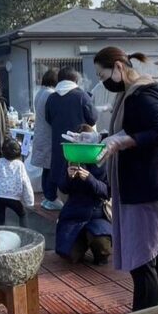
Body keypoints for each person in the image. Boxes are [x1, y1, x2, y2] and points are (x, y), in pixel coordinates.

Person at [92, 47, 158, 314]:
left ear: (118, 67)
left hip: (146, 188)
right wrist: (100, 137)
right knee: (153, 253)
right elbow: (132, 129)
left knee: (142, 262)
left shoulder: (143, 94)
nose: (104, 82)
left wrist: (121, 141)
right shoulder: (133, 91)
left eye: (104, 75)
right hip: (142, 185)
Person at [56, 125, 112, 265]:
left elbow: (107, 192)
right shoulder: (71, 158)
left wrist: (90, 179)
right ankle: (80, 243)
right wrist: (69, 177)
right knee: (67, 254)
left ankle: (100, 250)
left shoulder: (103, 161)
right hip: (74, 213)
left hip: (97, 213)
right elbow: (62, 188)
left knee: (101, 246)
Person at [44, 67, 97, 209]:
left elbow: (48, 119)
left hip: (58, 144)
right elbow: (93, 119)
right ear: (76, 80)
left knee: (61, 177)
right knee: (79, 176)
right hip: (79, 146)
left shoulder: (52, 98)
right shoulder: (82, 96)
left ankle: (65, 210)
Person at [32, 68, 58, 207]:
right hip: (49, 137)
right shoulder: (51, 95)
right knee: (51, 168)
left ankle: (48, 197)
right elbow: (52, 117)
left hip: (41, 135)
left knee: (46, 169)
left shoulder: (40, 92)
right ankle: (51, 198)